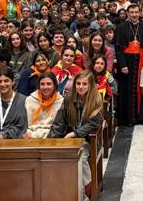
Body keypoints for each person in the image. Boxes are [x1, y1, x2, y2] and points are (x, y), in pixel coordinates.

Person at [49, 70, 104, 199]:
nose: (80, 87)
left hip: (88, 140)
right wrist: (52, 141)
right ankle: (62, 189)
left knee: (81, 157)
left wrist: (74, 134)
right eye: (78, 84)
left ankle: (86, 192)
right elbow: (59, 121)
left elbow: (92, 124)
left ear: (90, 85)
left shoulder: (96, 100)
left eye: (84, 84)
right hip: (70, 139)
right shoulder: (69, 99)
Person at [114, 4, 143, 126]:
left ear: (139, 13)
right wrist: (122, 65)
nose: (134, 14)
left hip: (141, 62)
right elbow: (118, 48)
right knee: (127, 89)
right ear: (127, 13)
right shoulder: (121, 27)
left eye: (136, 12)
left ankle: (140, 117)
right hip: (127, 63)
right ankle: (128, 119)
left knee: (141, 87)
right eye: (131, 12)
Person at [23, 71, 64, 139]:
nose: (45, 87)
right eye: (42, 84)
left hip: (52, 137)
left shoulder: (61, 101)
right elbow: (24, 123)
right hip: (30, 137)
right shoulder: (30, 100)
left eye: (49, 84)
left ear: (54, 85)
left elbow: (59, 128)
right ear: (39, 86)